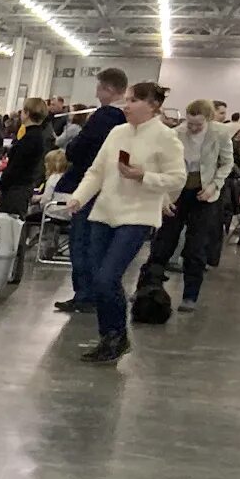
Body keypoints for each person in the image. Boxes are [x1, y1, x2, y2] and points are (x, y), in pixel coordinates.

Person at [63, 81, 184, 363]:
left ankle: (116, 334)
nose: (126, 106)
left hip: (137, 216)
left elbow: (177, 178)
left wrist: (144, 176)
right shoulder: (117, 133)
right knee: (98, 278)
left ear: (152, 105)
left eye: (133, 101)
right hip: (104, 212)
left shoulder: (167, 138)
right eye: (126, 100)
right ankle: (111, 336)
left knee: (108, 277)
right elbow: (96, 172)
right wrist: (78, 198)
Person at [52, 66, 129, 314]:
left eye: (98, 87)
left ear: (107, 88)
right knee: (100, 243)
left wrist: (73, 149)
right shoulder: (128, 120)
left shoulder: (104, 116)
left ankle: (84, 294)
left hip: (91, 185)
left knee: (82, 241)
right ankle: (96, 293)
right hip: (115, 187)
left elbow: (78, 149)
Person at [149, 98, 232, 312]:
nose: (193, 128)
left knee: (196, 247)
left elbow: (226, 163)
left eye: (198, 125)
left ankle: (190, 296)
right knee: (163, 243)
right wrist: (164, 197)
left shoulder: (221, 134)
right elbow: (163, 166)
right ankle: (149, 287)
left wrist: (215, 185)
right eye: (190, 123)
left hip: (205, 194)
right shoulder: (176, 133)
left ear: (209, 120)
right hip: (177, 191)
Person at [0, 96, 55, 226]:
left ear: (27, 113)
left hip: (16, 189)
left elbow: (15, 167)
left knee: (10, 226)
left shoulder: (29, 138)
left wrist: (0, 187)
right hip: (24, 186)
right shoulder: (37, 135)